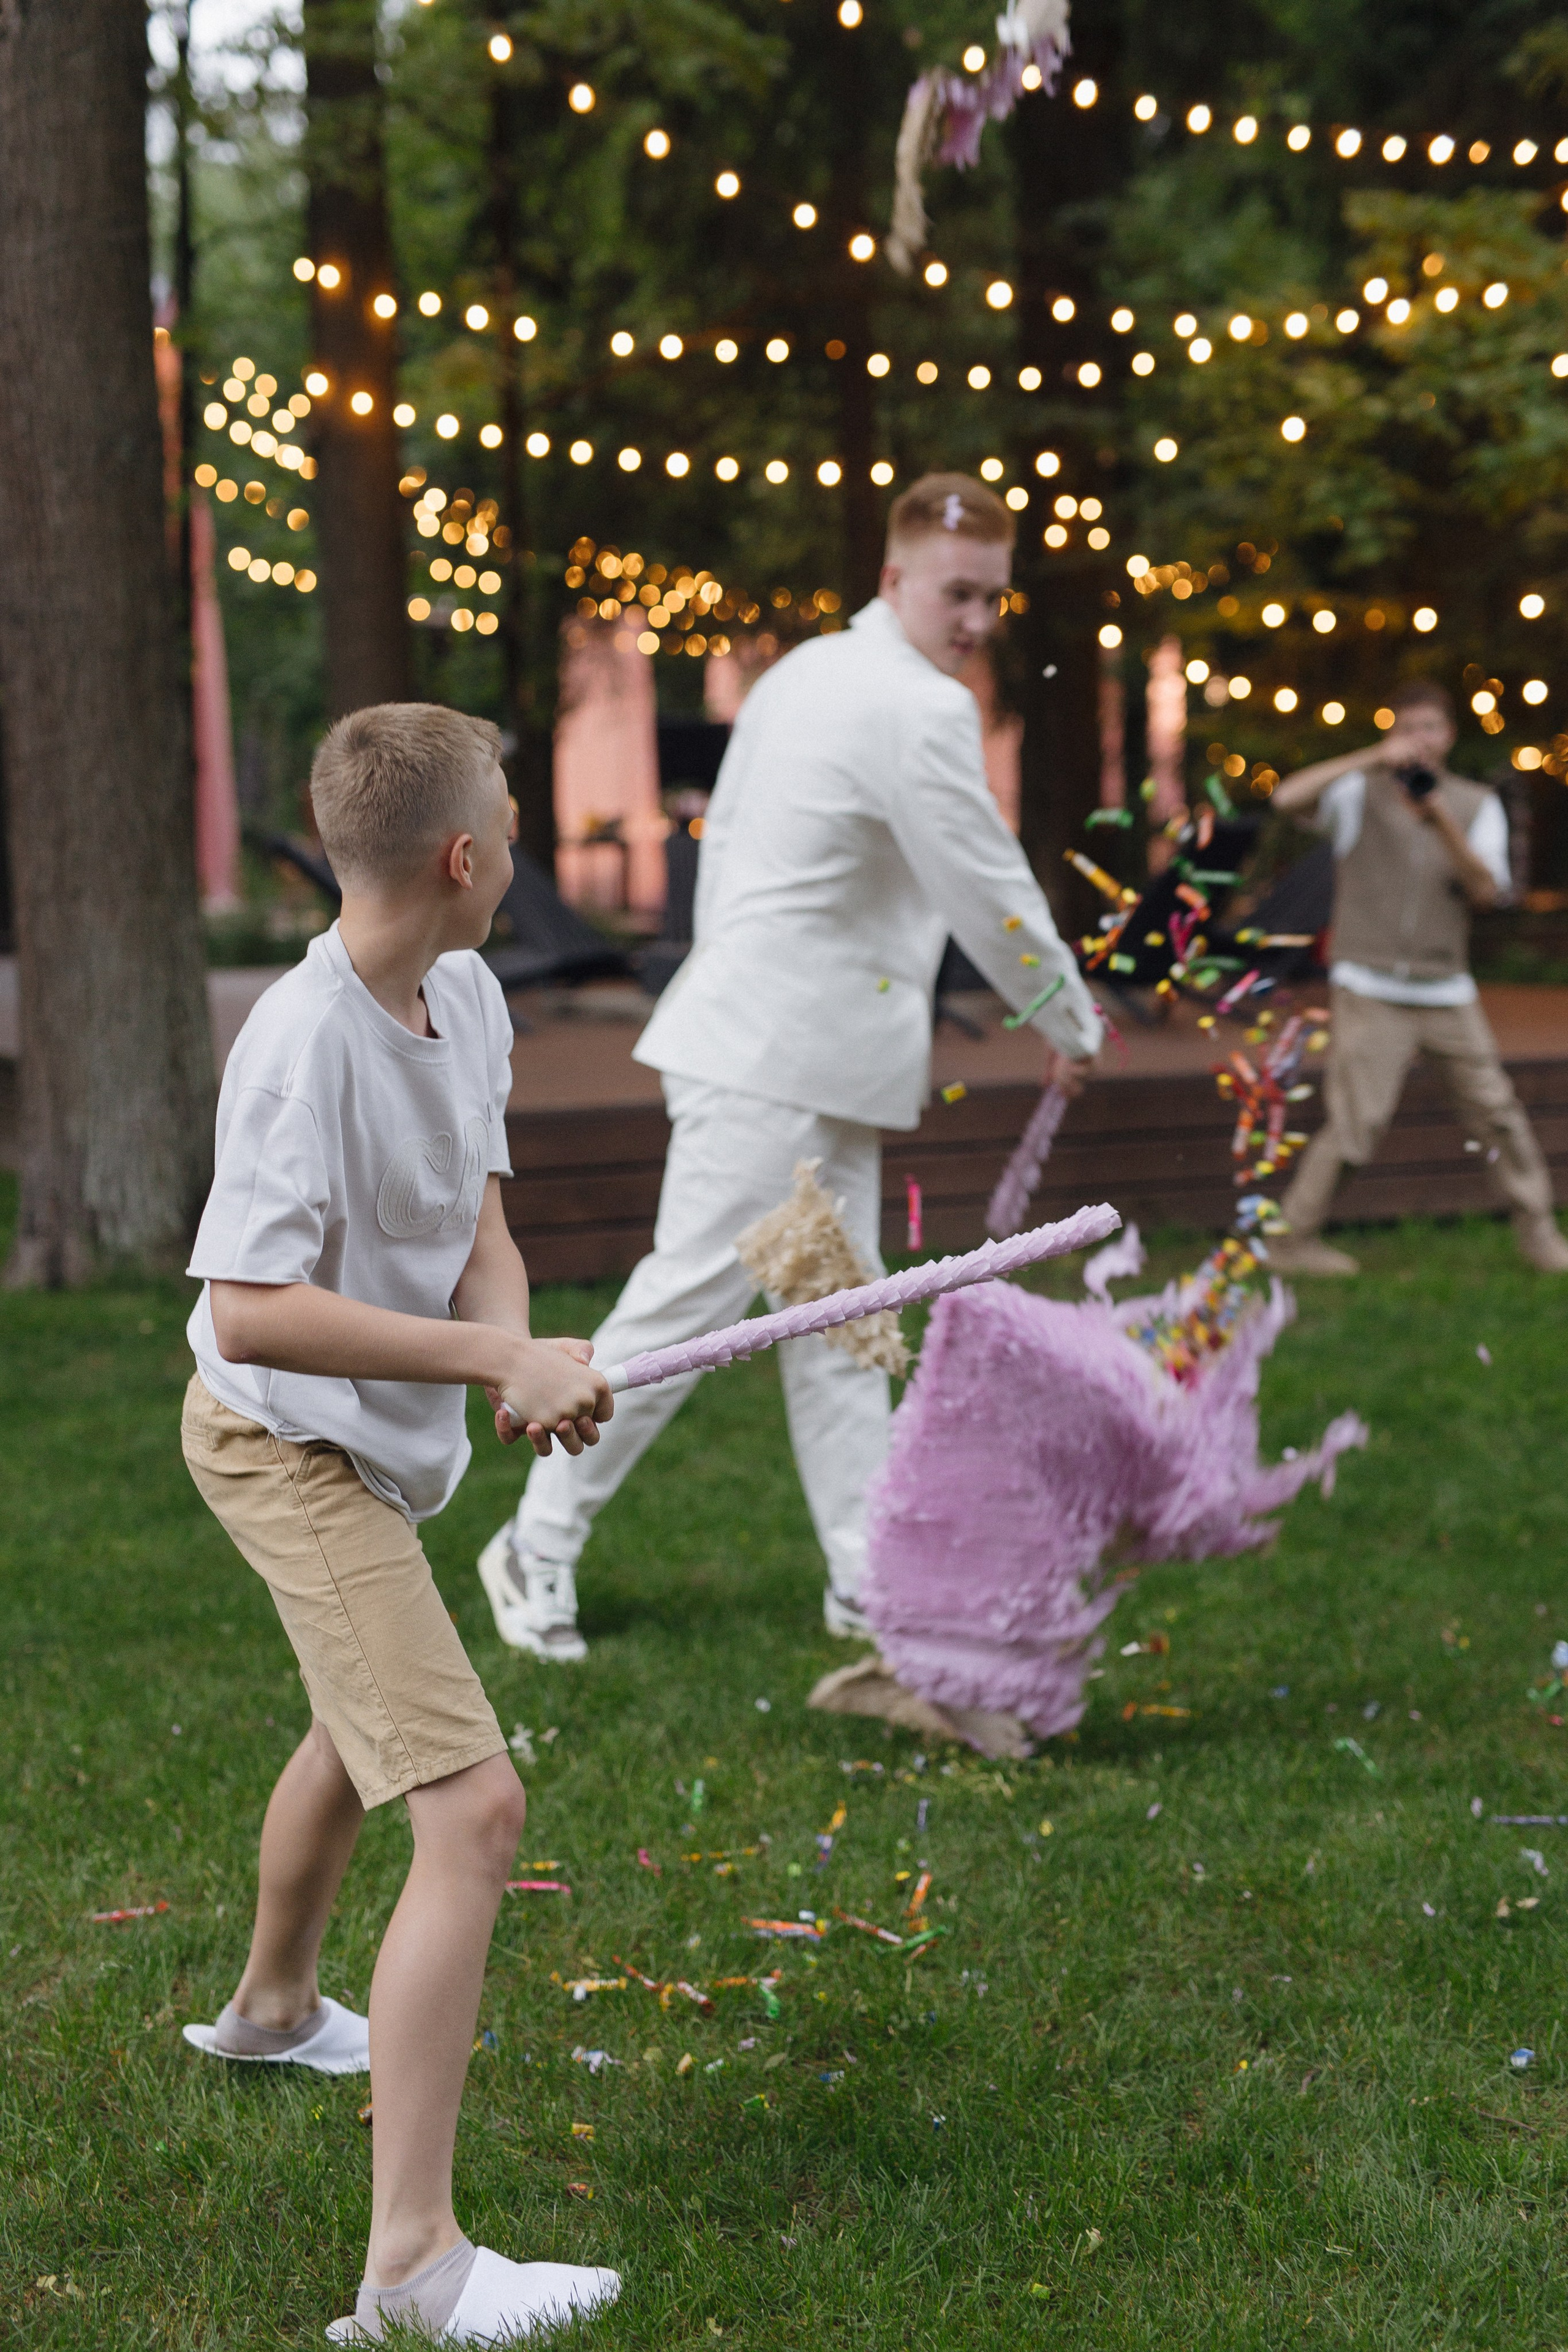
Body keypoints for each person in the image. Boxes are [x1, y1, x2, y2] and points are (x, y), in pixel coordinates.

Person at [478, 472, 1104, 1663]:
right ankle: (534, 1542)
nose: (974, 619)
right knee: (683, 1314)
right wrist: (1067, 1021)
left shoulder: (811, 667)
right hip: (770, 1059)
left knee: (837, 1328)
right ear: (894, 579)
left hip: (791, 1052)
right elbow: (983, 881)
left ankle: (865, 1577)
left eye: (992, 599)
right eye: (956, 592)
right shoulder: (912, 706)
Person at [178, 706, 620, 2345]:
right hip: (278, 1438)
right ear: (463, 856)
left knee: (361, 1711)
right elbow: (255, 1309)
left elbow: (480, 1223)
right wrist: (488, 1353)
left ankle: (277, 2009)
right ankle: (414, 2274)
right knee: (473, 1807)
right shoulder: (301, 1046)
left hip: (361, 1432)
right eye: (512, 815)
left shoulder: (470, 992)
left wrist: (520, 1344)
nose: (523, 839)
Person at [1268, 679, 1568, 1275]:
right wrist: (1370, 758)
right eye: (1408, 729)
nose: (1420, 740)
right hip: (1368, 986)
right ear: (1392, 734)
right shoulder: (1359, 793)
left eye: (1430, 728)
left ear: (1449, 735)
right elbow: (1285, 800)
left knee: (1498, 1114)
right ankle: (1290, 1241)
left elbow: (1487, 891)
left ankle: (1538, 1233)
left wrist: (1438, 821)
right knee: (1357, 1125)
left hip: (1445, 991)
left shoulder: (1474, 804)